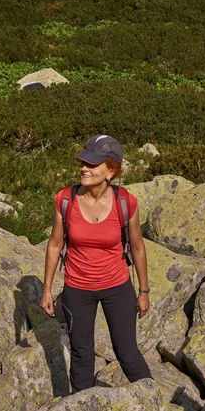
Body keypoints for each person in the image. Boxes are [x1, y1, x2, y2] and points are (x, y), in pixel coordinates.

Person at [40, 134, 151, 393]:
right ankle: (82, 410)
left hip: (117, 286)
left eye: (91, 164)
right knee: (81, 355)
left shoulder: (126, 202)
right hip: (77, 289)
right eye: (82, 162)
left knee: (127, 352)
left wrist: (143, 291)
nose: (83, 169)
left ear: (111, 170)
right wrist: (47, 289)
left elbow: (137, 247)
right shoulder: (65, 200)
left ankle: (153, 403)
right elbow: (55, 244)